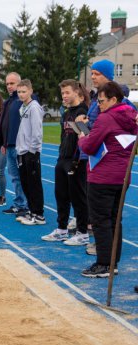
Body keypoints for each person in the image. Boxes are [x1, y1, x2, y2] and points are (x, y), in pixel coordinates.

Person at [75, 59, 137, 257]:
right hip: (117, 169)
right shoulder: (124, 111)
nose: (92, 77)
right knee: (111, 217)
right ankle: (109, 257)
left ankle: (104, 258)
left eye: (97, 73)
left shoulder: (112, 112)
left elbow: (96, 137)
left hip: (103, 168)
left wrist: (83, 134)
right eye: (91, 73)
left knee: (103, 218)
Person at [41, 80, 90, 245]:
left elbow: (86, 137)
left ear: (77, 92)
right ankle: (61, 229)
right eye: (62, 93)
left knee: (78, 197)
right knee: (61, 195)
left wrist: (77, 159)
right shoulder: (66, 113)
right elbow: (65, 137)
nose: (64, 96)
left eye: (67, 92)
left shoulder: (83, 111)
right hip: (63, 158)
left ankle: (82, 233)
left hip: (76, 160)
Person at [15, 79, 45, 226]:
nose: (21, 94)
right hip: (22, 150)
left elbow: (37, 131)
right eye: (19, 92)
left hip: (30, 151)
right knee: (25, 183)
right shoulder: (23, 107)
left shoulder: (34, 107)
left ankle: (38, 214)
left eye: (23, 91)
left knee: (34, 183)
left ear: (30, 91)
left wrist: (33, 150)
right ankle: (32, 210)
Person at [0, 72, 28, 217]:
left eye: (12, 83)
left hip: (20, 146)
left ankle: (25, 204)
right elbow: (5, 125)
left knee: (23, 176)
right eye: (7, 84)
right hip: (9, 145)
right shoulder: (8, 102)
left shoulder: (25, 101)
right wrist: (3, 142)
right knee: (15, 177)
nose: (10, 86)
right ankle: (19, 204)